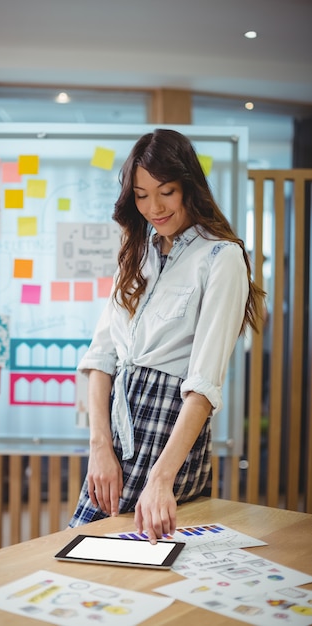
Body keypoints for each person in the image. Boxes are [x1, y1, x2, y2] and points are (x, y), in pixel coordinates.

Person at [68, 129, 265, 543]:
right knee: (87, 550)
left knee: (138, 555)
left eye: (166, 192)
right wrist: (99, 446)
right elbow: (101, 358)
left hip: (168, 433)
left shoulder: (221, 256)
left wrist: (162, 476)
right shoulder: (136, 252)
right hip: (117, 430)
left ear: (188, 187)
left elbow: (203, 384)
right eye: (141, 195)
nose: (153, 207)